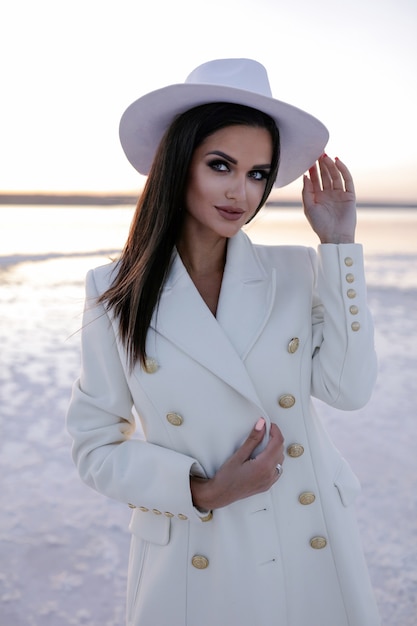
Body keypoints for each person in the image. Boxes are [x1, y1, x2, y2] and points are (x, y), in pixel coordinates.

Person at [66, 58, 381, 626]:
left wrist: (339, 247)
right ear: (177, 165)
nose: (242, 191)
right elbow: (95, 447)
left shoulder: (294, 272)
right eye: (221, 166)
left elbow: (350, 388)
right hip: (195, 554)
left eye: (259, 173)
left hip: (306, 538)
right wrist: (203, 491)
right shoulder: (113, 292)